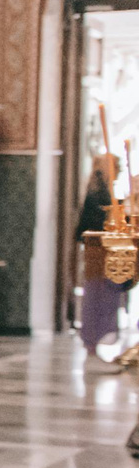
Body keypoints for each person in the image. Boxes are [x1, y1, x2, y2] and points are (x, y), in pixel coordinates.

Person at [78, 153, 130, 361]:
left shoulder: (103, 191)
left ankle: (95, 343)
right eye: (116, 167)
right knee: (98, 297)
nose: (118, 172)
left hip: (103, 253)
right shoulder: (98, 193)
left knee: (104, 296)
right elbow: (98, 221)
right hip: (99, 252)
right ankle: (92, 343)